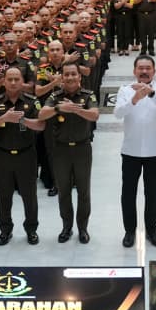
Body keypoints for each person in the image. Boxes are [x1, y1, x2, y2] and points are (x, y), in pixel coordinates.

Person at [113, 54, 156, 248]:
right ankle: (129, 231)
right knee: (128, 194)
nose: (144, 71)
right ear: (134, 71)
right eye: (141, 68)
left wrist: (152, 94)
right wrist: (134, 99)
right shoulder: (125, 90)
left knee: (152, 194)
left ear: (154, 71)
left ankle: (152, 231)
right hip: (130, 150)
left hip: (155, 151)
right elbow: (117, 113)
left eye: (148, 68)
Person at [37, 62, 99, 244]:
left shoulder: (88, 95)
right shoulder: (55, 96)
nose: (70, 77)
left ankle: (83, 228)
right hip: (61, 150)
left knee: (83, 191)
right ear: (62, 78)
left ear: (79, 77)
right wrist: (59, 108)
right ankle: (66, 227)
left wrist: (76, 109)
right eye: (66, 74)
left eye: (73, 74)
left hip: (82, 149)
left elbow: (94, 115)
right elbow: (41, 114)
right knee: (63, 191)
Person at [0, 66, 45, 245]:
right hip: (3, 156)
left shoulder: (32, 101)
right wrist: (4, 118)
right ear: (3, 82)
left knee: (29, 195)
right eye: (9, 79)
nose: (12, 82)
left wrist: (22, 120)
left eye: (16, 79)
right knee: (4, 196)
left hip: (26, 155)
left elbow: (41, 125)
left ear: (22, 82)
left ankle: (31, 229)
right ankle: (5, 230)